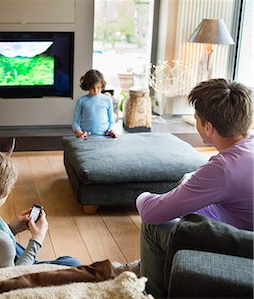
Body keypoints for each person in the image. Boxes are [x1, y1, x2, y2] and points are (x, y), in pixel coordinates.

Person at [135, 78, 253, 298]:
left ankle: (151, 293)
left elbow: (151, 211)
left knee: (153, 225)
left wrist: (142, 196)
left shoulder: (223, 168)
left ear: (208, 127)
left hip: (243, 247)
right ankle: (140, 267)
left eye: (197, 119)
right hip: (243, 231)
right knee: (188, 203)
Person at [72, 69, 116, 139]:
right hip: (86, 137)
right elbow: (75, 122)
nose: (96, 91)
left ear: (102, 85)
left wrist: (111, 130)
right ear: (87, 86)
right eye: (92, 88)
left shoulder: (107, 100)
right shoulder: (81, 100)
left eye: (98, 87)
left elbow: (111, 121)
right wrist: (80, 133)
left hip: (105, 137)